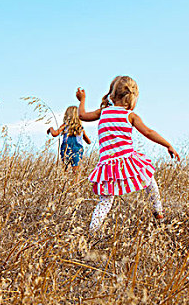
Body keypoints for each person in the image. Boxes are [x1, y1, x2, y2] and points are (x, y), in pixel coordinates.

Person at [76, 76, 180, 233]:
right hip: (127, 159)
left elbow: (82, 115)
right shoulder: (129, 115)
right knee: (149, 178)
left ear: (113, 94)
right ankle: (158, 212)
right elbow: (148, 132)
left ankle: (93, 231)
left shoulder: (103, 112)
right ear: (132, 98)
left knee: (105, 200)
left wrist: (82, 99)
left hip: (107, 165)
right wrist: (168, 145)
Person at [47, 106, 91, 183]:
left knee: (65, 169)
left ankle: (65, 184)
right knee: (76, 172)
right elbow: (89, 141)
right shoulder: (80, 128)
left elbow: (55, 134)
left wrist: (51, 129)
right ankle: (75, 186)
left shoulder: (64, 126)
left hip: (66, 150)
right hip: (77, 151)